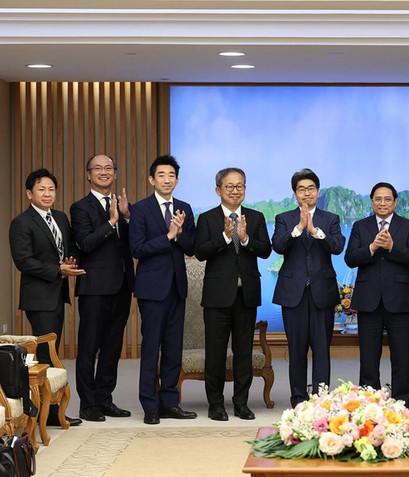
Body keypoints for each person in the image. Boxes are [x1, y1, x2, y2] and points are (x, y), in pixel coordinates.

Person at [9, 168, 85, 427]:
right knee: (44, 354)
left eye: (51, 189)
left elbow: (69, 247)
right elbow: (24, 261)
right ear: (29, 194)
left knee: (52, 351)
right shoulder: (21, 222)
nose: (47, 194)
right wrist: (58, 270)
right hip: (39, 297)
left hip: (57, 293)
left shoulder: (60, 217)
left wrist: (71, 262)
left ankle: (50, 410)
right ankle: (45, 413)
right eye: (41, 189)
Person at [195, 167, 272, 421]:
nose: (235, 190)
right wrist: (225, 238)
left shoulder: (256, 217)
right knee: (215, 354)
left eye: (240, 186)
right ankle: (216, 404)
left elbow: (266, 250)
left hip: (246, 296)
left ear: (245, 189)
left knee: (243, 353)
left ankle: (241, 404)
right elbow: (200, 252)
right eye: (230, 186)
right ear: (218, 190)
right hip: (217, 297)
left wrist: (245, 238)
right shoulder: (206, 218)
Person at [129, 154, 198, 425]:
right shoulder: (140, 209)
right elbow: (137, 249)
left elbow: (192, 247)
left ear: (177, 180)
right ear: (151, 179)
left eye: (171, 175)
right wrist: (167, 236)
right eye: (161, 175)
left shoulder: (184, 208)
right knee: (151, 347)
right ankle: (150, 405)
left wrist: (179, 235)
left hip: (177, 288)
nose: (167, 180)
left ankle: (170, 402)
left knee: (173, 348)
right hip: (151, 290)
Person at [344, 182, 409, 408]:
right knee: (368, 358)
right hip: (368, 301)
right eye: (378, 199)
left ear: (395, 202)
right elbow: (350, 258)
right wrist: (371, 248)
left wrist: (392, 247)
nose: (382, 203)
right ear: (371, 202)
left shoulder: (408, 226)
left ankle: (402, 405)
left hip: (400, 300)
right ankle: (370, 405)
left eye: (387, 199)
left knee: (402, 357)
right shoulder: (360, 226)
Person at [70, 154, 135, 422]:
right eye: (97, 168)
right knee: (89, 347)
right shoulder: (80, 208)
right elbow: (85, 244)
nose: (103, 172)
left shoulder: (123, 206)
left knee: (112, 347)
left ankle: (104, 399)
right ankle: (88, 405)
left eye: (108, 168)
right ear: (89, 175)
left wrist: (127, 217)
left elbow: (134, 244)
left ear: (115, 174)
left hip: (122, 285)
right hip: (94, 287)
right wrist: (111, 222)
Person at [272, 169, 345, 407]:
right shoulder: (283, 218)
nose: (306, 193)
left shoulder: (330, 218)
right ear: (295, 193)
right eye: (301, 189)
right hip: (293, 293)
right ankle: (298, 400)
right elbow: (278, 246)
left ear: (318, 191)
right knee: (297, 350)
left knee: (322, 349)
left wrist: (314, 231)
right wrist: (298, 228)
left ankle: (321, 401)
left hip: (322, 292)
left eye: (311, 188)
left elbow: (337, 247)